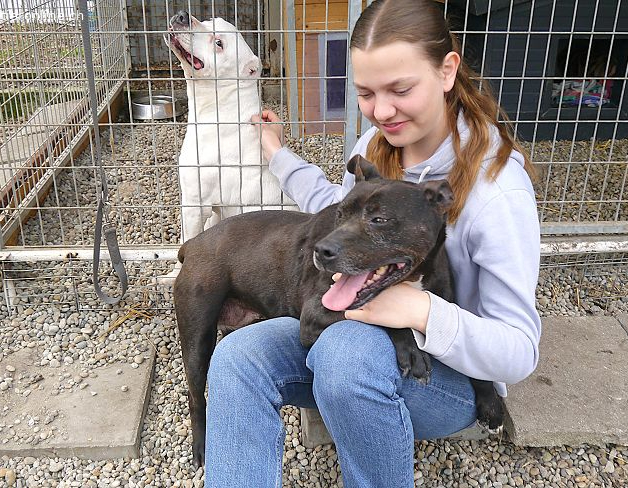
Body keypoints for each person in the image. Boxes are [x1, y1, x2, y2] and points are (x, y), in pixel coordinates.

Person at [204, 0, 541, 486]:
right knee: (238, 357)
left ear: (447, 71)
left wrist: (419, 311)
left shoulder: (497, 194)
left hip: (444, 378)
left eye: (400, 90)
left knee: (346, 351)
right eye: (365, 93)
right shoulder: (378, 144)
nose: (381, 111)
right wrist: (276, 151)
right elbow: (338, 212)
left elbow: (519, 351)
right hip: (358, 344)